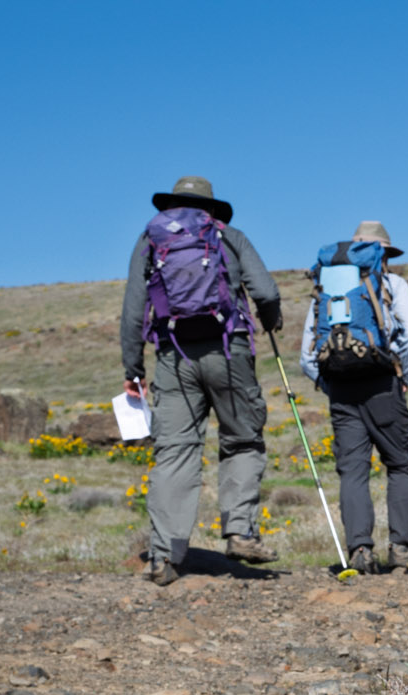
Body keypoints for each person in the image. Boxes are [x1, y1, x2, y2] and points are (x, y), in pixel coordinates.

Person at [120, 175, 284, 586]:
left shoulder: (150, 239)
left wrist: (132, 369)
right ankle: (240, 532)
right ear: (212, 207)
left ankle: (162, 556)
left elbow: (133, 307)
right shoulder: (230, 237)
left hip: (173, 357)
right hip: (230, 352)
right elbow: (264, 290)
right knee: (242, 439)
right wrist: (271, 320)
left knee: (174, 452)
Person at [299, 221, 408, 575]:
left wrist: (328, 385)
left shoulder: (325, 285)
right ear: (382, 252)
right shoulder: (392, 283)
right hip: (382, 383)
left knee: (353, 471)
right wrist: (405, 377)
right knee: (399, 464)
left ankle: (359, 549)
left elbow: (306, 356)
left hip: (340, 387)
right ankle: (402, 547)